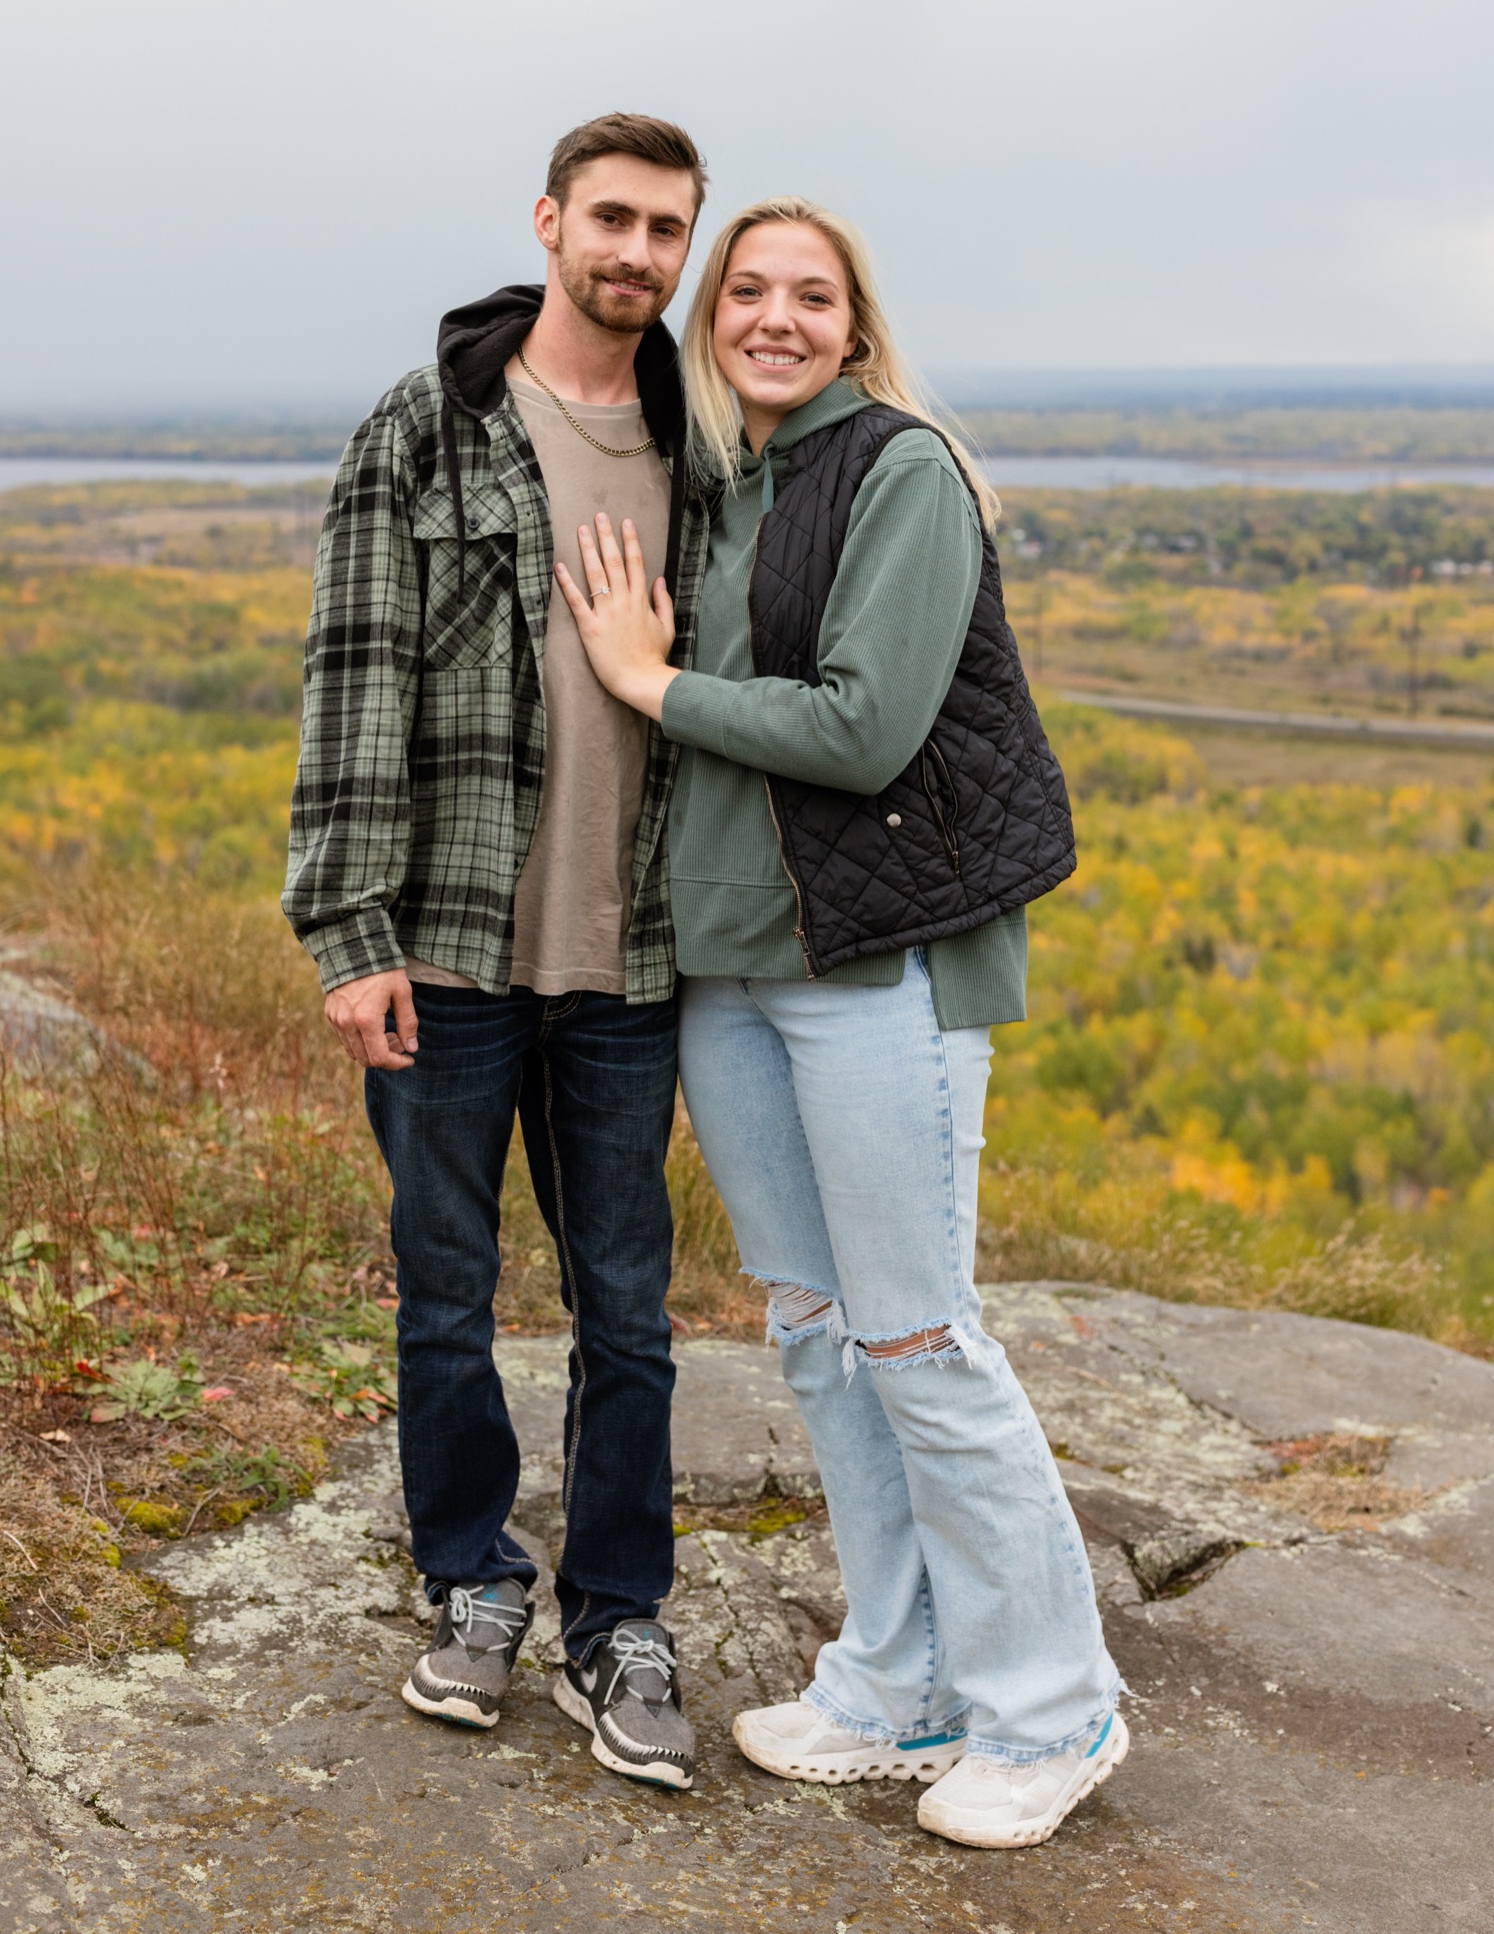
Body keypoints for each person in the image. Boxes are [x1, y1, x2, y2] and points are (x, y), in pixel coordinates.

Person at [554, 195, 1126, 1849]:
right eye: (750, 292)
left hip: (882, 971)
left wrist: (649, 684)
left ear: (857, 326)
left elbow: (869, 730)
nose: (778, 318)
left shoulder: (903, 473)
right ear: (714, 318)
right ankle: (903, 1681)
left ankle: (1051, 1706)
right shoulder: (733, 486)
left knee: (920, 1341)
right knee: (816, 1337)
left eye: (814, 296)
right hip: (733, 973)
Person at [283, 112, 714, 1791]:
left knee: (631, 1308)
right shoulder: (431, 425)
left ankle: (622, 1620)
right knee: (447, 1300)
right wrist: (347, 931)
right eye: (612, 218)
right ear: (547, 222)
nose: (638, 254)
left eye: (667, 230)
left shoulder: (705, 441)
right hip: (449, 954)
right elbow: (350, 676)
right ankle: (470, 1582)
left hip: (640, 958)